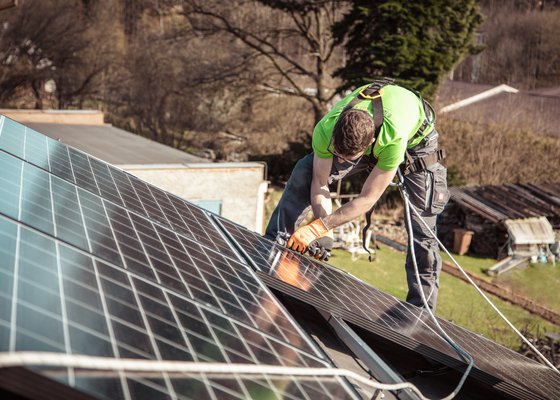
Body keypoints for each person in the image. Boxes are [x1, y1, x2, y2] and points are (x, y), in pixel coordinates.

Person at [265, 79, 449, 310]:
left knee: (421, 228)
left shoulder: (392, 142)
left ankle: (422, 310)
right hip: (369, 128)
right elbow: (320, 182)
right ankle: (272, 250)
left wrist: (319, 227)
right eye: (337, 154)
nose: (340, 162)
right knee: (304, 171)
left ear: (370, 145)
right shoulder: (326, 129)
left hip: (417, 140)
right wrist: (325, 229)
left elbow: (367, 199)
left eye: (347, 159)